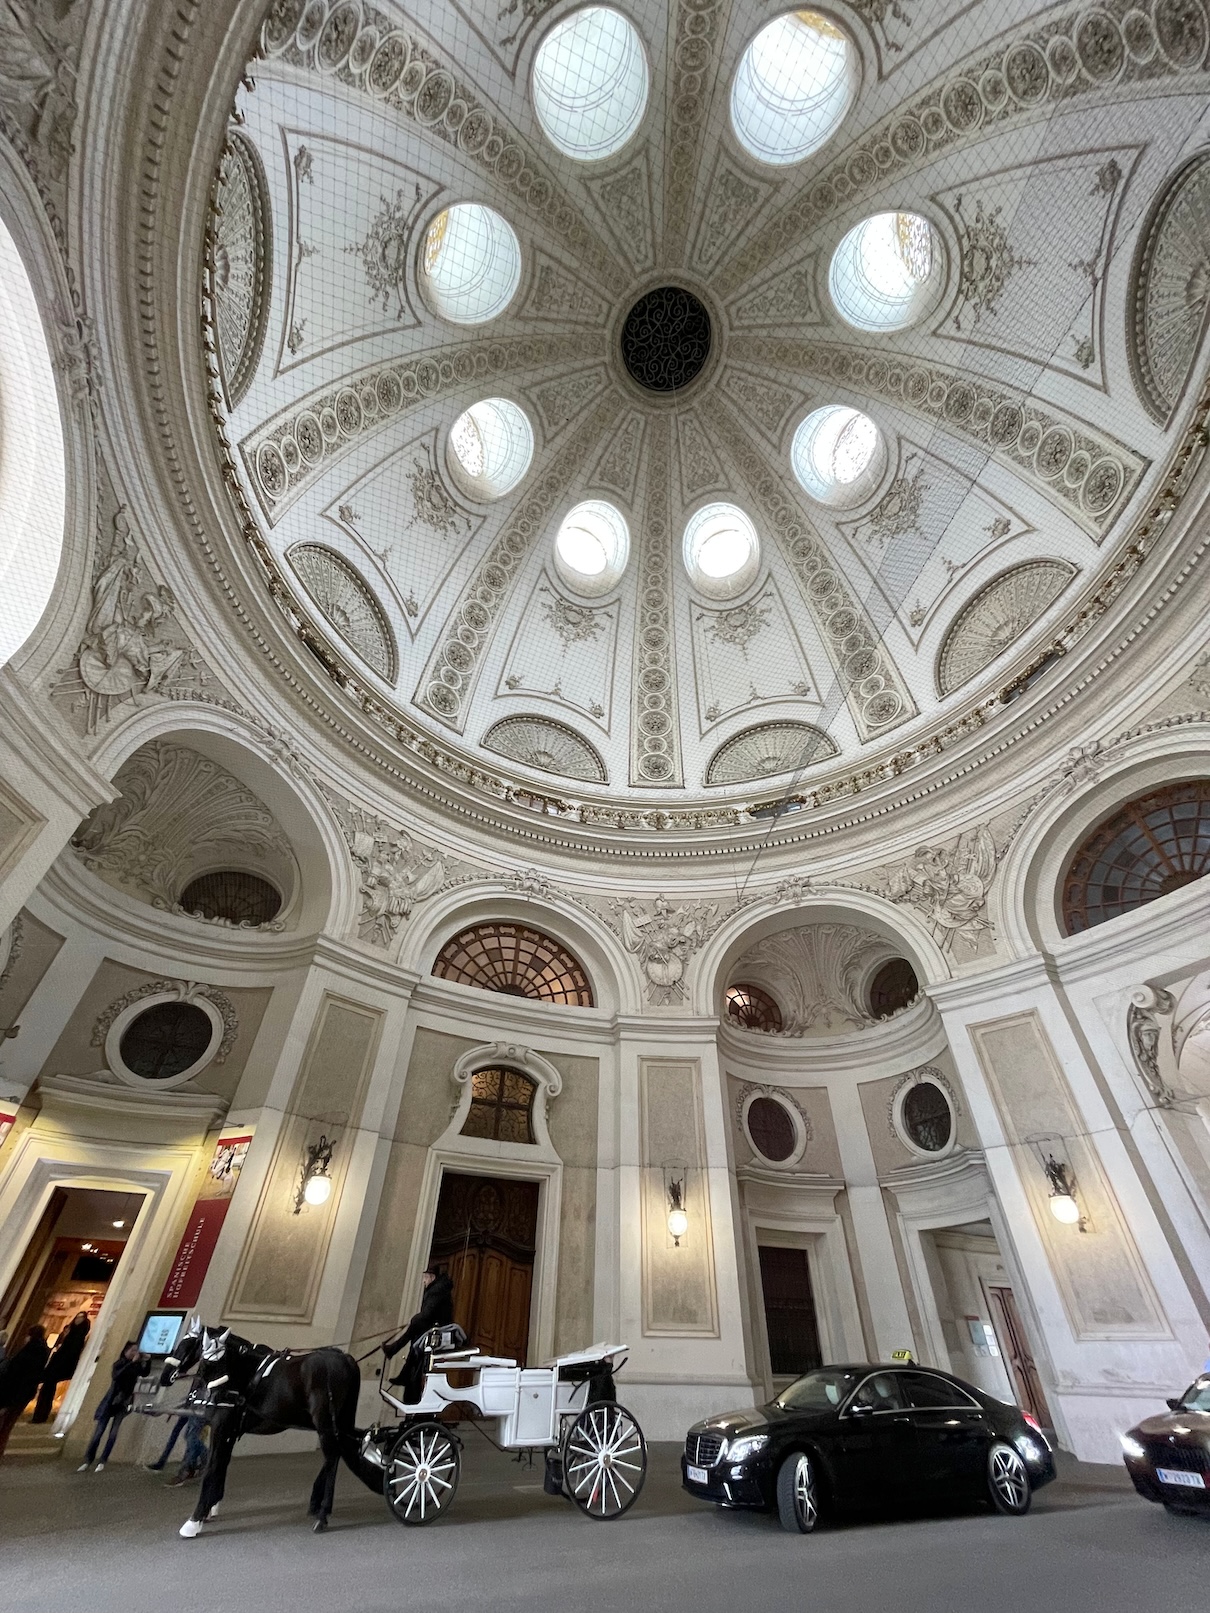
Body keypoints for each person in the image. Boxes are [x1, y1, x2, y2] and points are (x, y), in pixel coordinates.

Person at [382, 1266, 455, 1404]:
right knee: (416, 1340)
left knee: (416, 1328)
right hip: (432, 1329)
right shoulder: (437, 1289)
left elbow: (427, 1314)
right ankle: (402, 1369)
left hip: (436, 1331)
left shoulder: (436, 1291)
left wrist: (414, 1320)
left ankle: (394, 1350)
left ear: (432, 1277)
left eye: (425, 1278)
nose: (423, 1281)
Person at [77, 1342, 149, 1472]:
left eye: (136, 1350)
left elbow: (144, 1373)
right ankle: (88, 1459)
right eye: (132, 1350)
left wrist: (147, 1361)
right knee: (98, 1433)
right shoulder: (119, 1363)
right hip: (111, 1401)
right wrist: (131, 1363)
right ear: (126, 1351)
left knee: (113, 1433)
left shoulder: (135, 1366)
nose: (135, 1353)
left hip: (124, 1402)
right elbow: (116, 1376)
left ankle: (103, 1460)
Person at [0, 1325, 51, 1460]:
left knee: (5, 1423)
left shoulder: (30, 1351)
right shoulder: (42, 1351)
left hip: (14, 1393)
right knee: (8, 1424)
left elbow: (17, 1373)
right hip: (24, 1393)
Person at [30, 1310, 90, 1423]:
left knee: (47, 1389)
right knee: (47, 1389)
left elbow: (71, 1352)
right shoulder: (71, 1333)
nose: (78, 1320)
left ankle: (40, 1415)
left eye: (81, 1318)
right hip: (56, 1365)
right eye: (77, 1317)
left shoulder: (77, 1337)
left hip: (59, 1366)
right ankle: (40, 1415)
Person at [146, 1412, 208, 1485]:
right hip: (191, 1408)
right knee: (185, 1435)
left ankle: (188, 1469)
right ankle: (194, 1466)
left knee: (191, 1437)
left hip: (197, 1409)